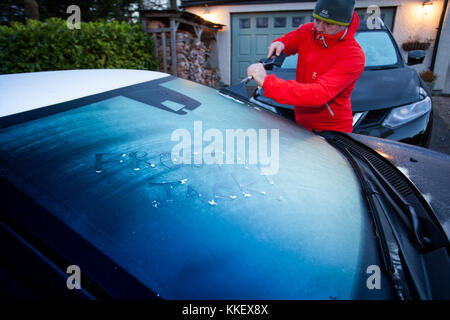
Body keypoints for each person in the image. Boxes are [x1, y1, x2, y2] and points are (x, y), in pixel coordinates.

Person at [247, 0, 365, 133]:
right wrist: (280, 43)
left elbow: (318, 93)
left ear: (345, 24)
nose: (319, 28)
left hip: (332, 130)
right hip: (301, 121)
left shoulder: (353, 56)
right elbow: (289, 41)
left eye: (329, 24)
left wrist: (267, 82)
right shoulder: (309, 30)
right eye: (317, 20)